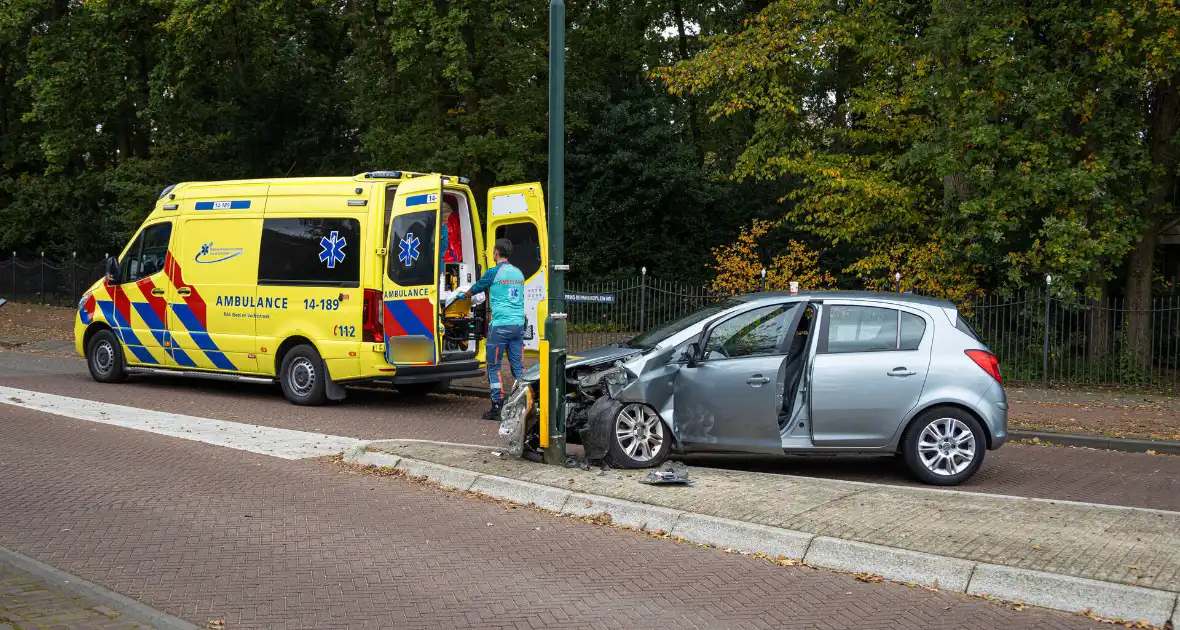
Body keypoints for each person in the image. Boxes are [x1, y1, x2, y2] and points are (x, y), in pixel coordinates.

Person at [456, 238, 525, 420]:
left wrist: (463, 296)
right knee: (518, 367)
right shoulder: (519, 273)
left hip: (500, 327)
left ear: (496, 252)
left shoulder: (493, 272)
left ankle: (497, 406)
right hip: (518, 326)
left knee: (494, 367)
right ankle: (524, 403)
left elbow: (477, 288)